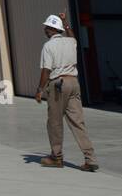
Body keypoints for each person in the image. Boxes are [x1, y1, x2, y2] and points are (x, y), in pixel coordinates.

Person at [35, 11, 98, 171]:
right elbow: (71, 35)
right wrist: (65, 21)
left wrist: (39, 89)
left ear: (50, 29)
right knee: (78, 122)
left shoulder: (48, 46)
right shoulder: (71, 42)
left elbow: (46, 71)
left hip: (58, 85)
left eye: (46, 27)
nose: (44, 30)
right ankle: (90, 159)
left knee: (54, 122)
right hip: (74, 83)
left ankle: (56, 157)